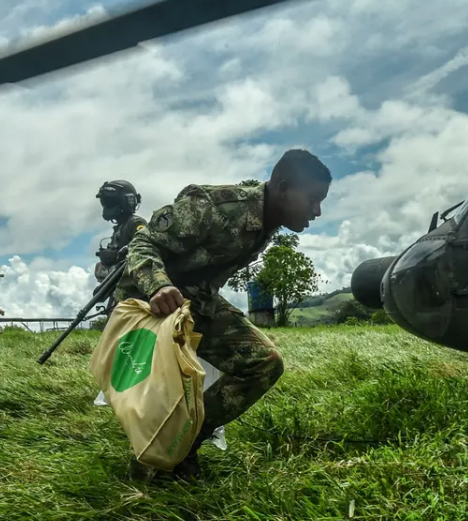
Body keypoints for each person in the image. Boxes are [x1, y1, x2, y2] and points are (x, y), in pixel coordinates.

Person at [114, 148, 331, 479]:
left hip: (197, 301)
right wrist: (158, 287)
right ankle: (150, 462)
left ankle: (183, 445)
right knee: (159, 390)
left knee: (264, 362)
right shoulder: (211, 205)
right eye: (313, 199)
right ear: (284, 187)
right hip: (149, 302)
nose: (317, 211)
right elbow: (144, 245)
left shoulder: (268, 222)